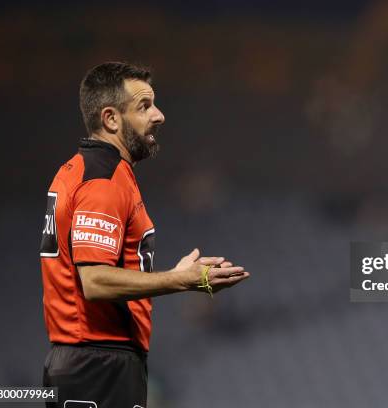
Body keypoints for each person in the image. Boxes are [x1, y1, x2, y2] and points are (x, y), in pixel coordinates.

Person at [39, 62, 250, 408]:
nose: (159, 115)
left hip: (93, 363)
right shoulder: (102, 181)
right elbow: (94, 281)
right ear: (110, 119)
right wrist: (181, 280)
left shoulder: (83, 171)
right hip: (98, 366)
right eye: (144, 106)